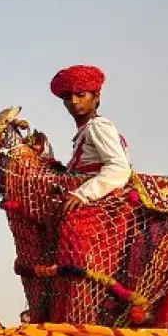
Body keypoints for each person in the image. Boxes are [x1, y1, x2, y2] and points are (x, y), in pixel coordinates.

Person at [49, 65, 133, 320]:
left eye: (81, 94)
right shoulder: (83, 133)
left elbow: (119, 168)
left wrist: (82, 194)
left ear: (96, 96)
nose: (74, 102)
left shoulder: (98, 126)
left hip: (104, 211)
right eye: (68, 97)